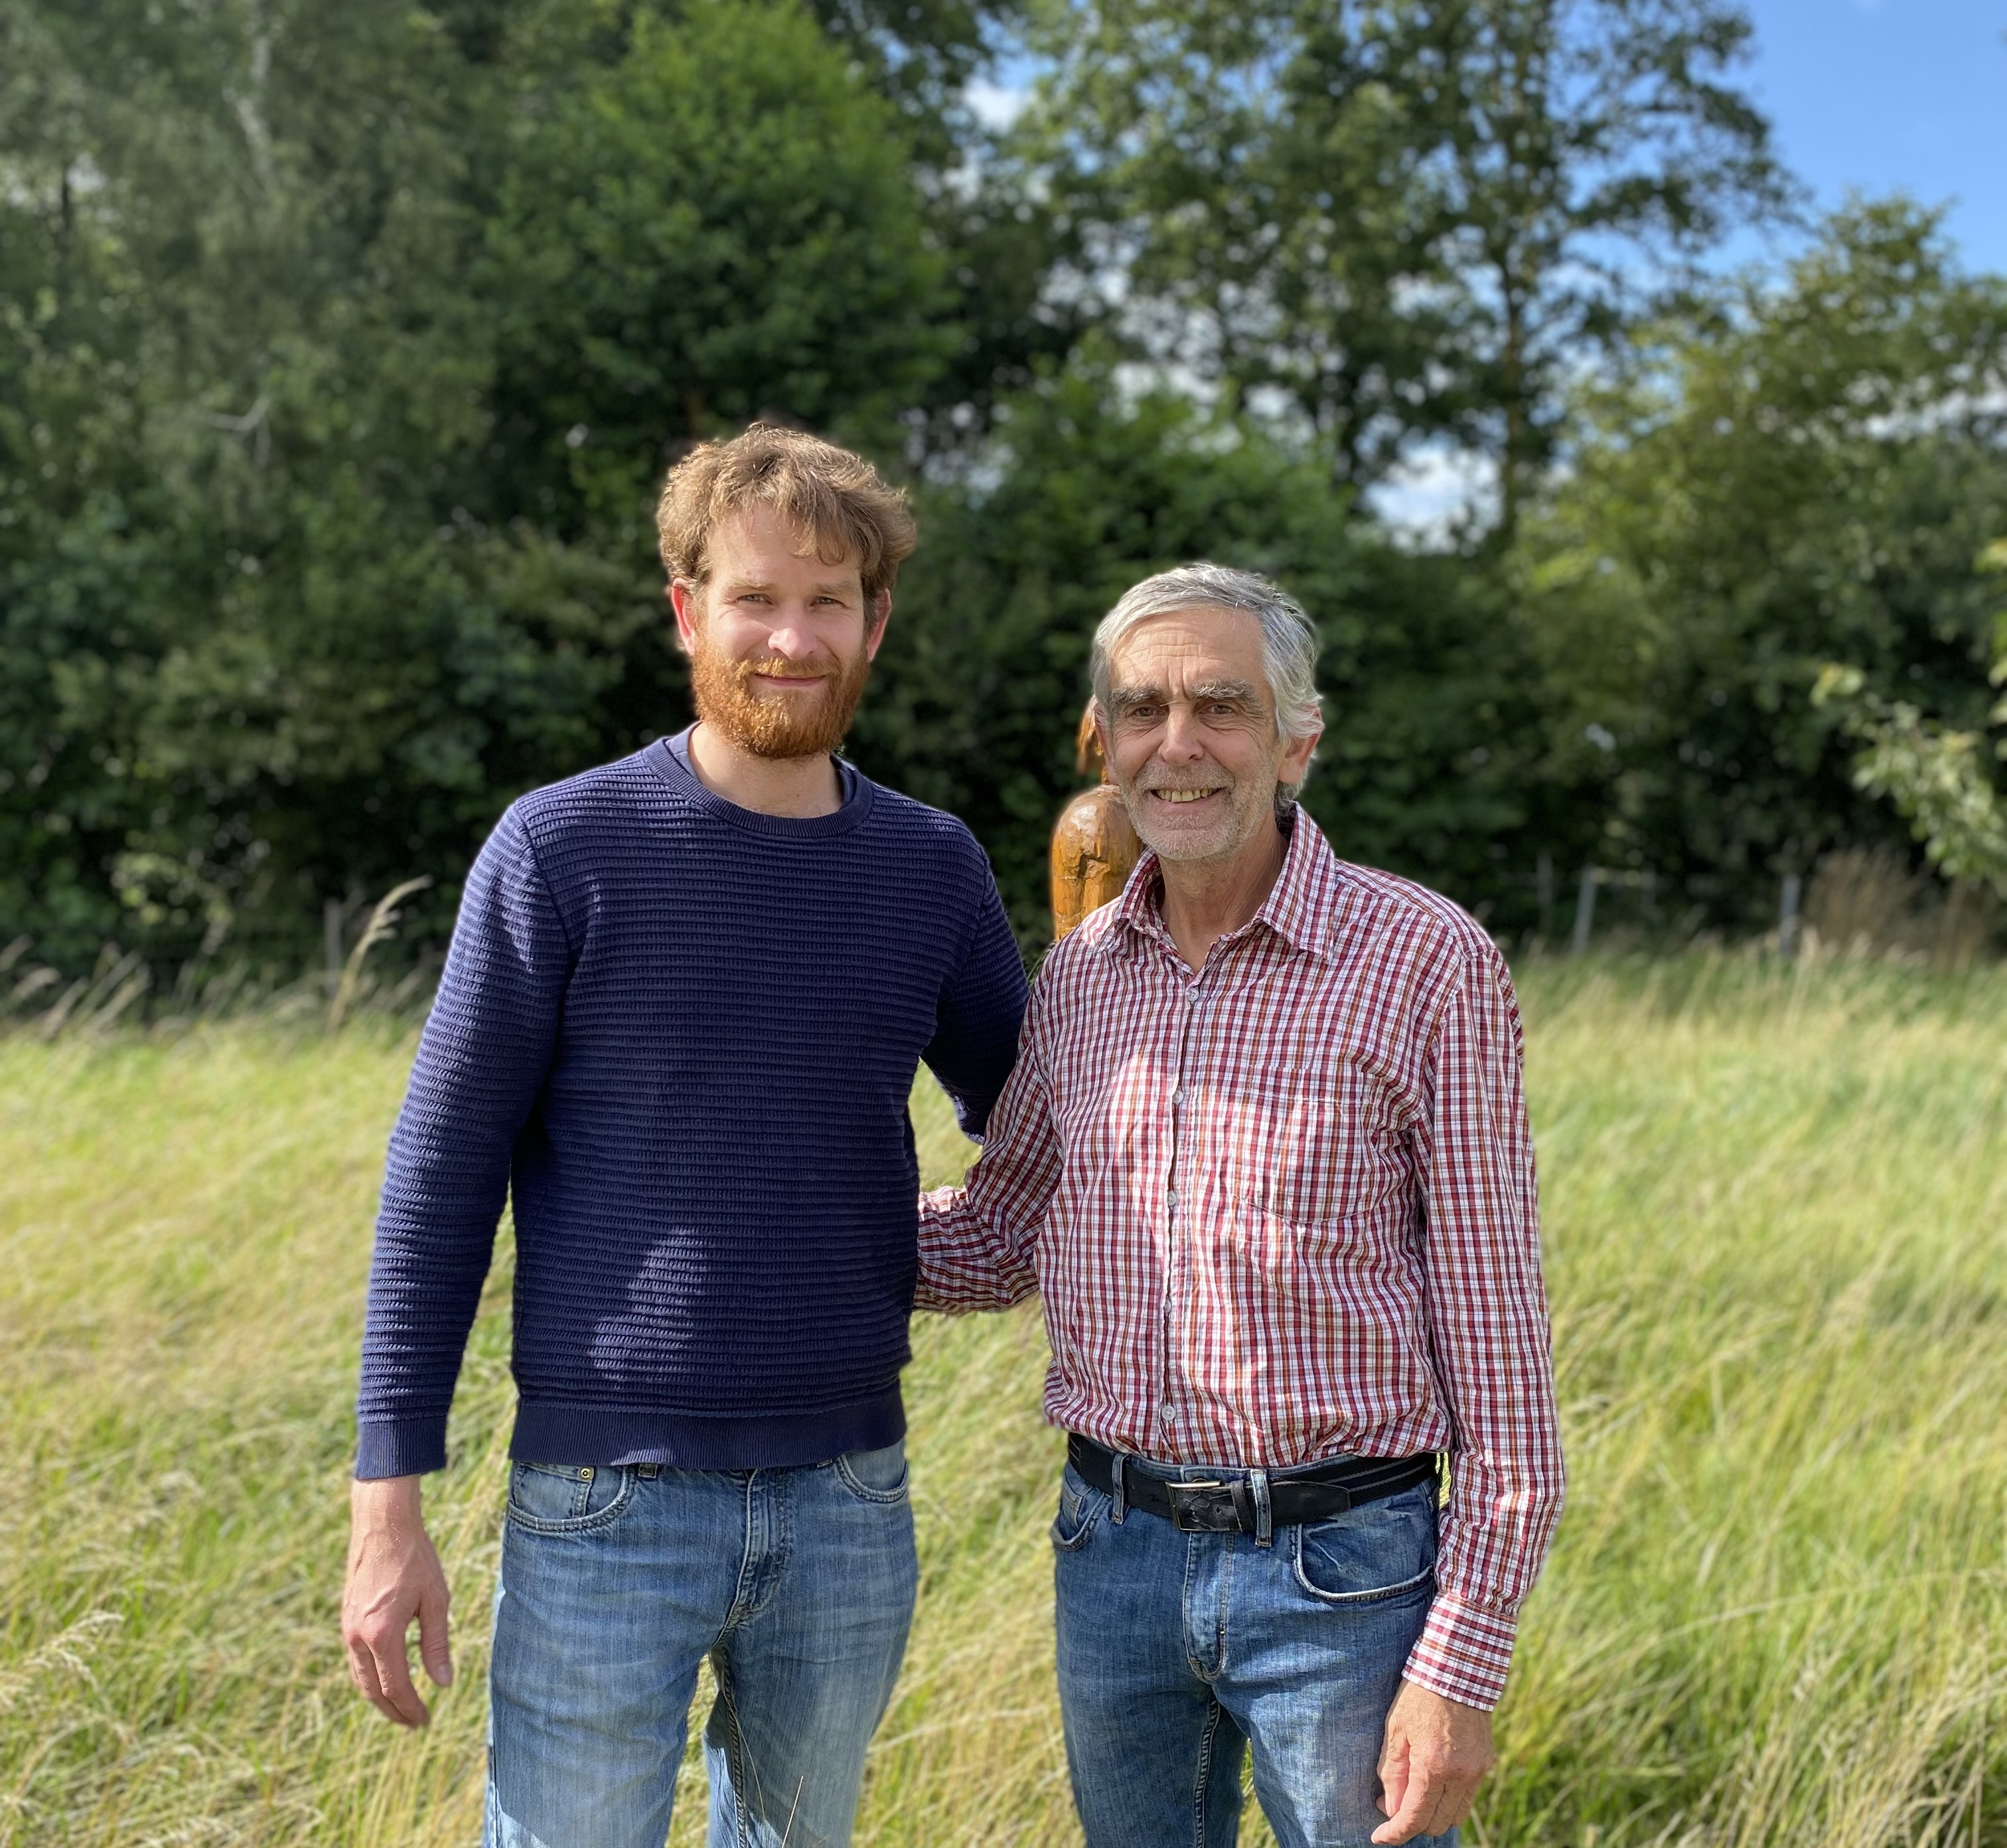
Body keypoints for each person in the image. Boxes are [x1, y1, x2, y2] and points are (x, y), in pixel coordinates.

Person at [340, 424, 1027, 1848]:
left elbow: (1042, 1125)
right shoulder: (560, 849)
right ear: (686, 614)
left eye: (828, 601)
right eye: (755, 598)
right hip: (606, 1505)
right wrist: (386, 1508)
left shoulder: (932, 870)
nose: (791, 636)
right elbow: (439, 1187)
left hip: (850, 1500)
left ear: (875, 624)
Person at [917, 563, 1564, 1848]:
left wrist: (1462, 1668)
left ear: (1296, 742)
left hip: (1346, 1572)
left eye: (1221, 706)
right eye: (1143, 709)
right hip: (1110, 1555)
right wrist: (767, 1209)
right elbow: (997, 1240)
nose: (1180, 745)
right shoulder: (1084, 977)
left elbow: (1501, 1357)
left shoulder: (1426, 962)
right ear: (1102, 742)